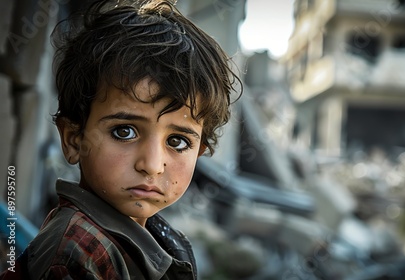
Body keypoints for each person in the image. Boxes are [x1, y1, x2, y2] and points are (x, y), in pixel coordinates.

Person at [1, 0, 241, 278]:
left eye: (176, 142)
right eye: (124, 132)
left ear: (199, 150)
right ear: (74, 139)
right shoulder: (77, 255)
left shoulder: (151, 236)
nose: (152, 165)